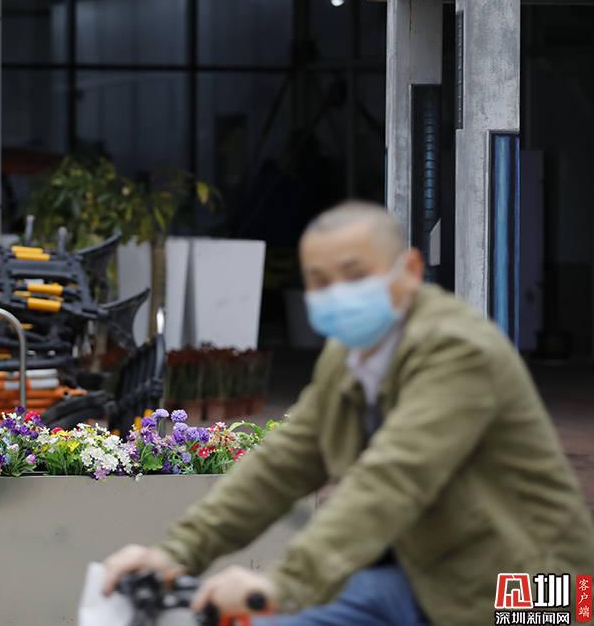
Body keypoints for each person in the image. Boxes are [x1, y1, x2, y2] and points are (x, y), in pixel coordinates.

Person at [102, 201, 594, 625]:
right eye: (320, 282)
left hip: (534, 588)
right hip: (422, 573)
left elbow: (394, 477)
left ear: (411, 270)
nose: (338, 293)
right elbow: (283, 463)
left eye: (356, 276)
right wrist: (176, 553)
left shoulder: (458, 351)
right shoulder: (349, 356)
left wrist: (284, 583)